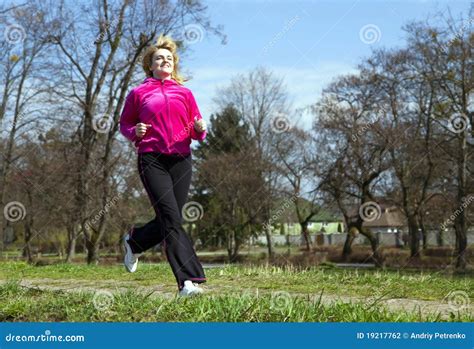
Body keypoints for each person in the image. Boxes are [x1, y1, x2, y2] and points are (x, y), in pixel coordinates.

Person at [119, 34, 207, 297]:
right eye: (160, 58)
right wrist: (136, 130)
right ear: (151, 65)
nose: (165, 61)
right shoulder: (138, 93)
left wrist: (200, 129)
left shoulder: (185, 93)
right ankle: (187, 281)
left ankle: (135, 241)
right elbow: (124, 125)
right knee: (171, 218)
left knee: (171, 219)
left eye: (169, 58)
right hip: (152, 158)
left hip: (181, 159)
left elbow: (196, 126)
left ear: (173, 64)